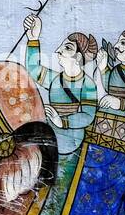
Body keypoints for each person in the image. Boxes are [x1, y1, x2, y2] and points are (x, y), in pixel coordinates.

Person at [23, 13, 101, 156]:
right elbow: (34, 71)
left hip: (70, 139)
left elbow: (88, 116)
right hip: (50, 133)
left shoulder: (87, 84)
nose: (59, 50)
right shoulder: (55, 79)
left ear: (78, 57)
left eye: (67, 48)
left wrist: (62, 122)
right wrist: (33, 39)